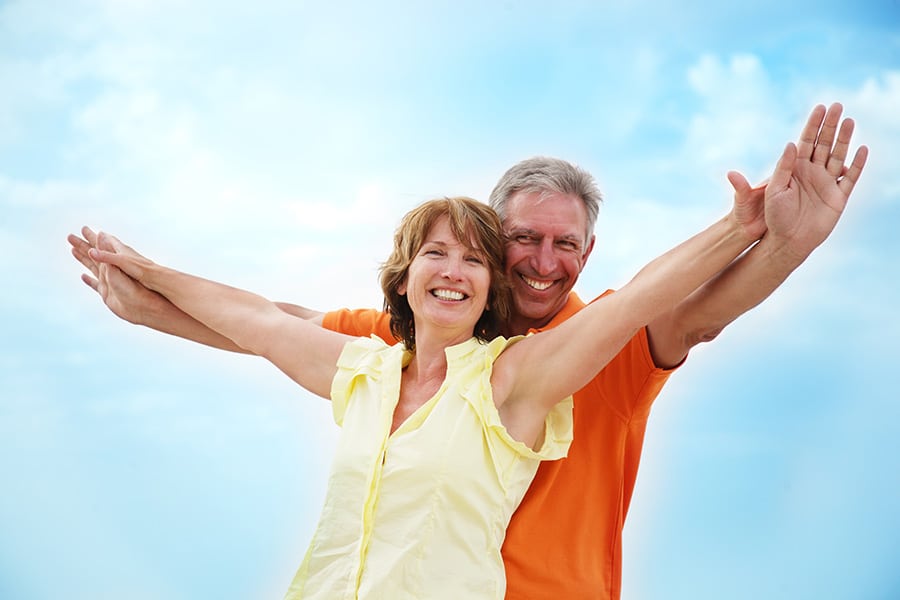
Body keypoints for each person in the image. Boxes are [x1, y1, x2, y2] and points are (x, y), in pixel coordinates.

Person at [70, 102, 868, 599]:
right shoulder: (414, 344)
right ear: (491, 241)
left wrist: (781, 244)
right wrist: (146, 306)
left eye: (565, 244)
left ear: (588, 254)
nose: (544, 262)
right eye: (522, 238)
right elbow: (274, 324)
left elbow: (688, 311)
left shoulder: (599, 344)